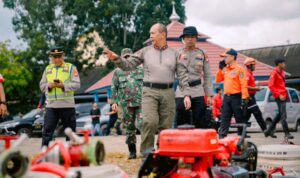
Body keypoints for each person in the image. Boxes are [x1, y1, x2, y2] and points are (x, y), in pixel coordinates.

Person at [104, 23, 191, 156]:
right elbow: (128, 65)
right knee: (149, 122)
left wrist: (186, 95)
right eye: (150, 33)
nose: (150, 36)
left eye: (153, 33)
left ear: (163, 34)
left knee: (166, 125)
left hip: (168, 92)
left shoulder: (175, 53)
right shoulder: (145, 51)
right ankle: (146, 152)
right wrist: (116, 58)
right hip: (149, 91)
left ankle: (163, 151)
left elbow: (182, 76)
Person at [40, 46, 80, 147]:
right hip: (51, 106)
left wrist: (63, 85)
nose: (57, 59)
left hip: (67, 106)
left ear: (63, 56)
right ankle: (44, 154)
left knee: (70, 133)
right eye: (54, 57)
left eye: (59, 56)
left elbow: (77, 85)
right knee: (47, 132)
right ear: (51, 57)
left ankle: (71, 155)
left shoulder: (71, 67)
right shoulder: (48, 69)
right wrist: (48, 85)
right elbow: (41, 86)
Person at [175, 26, 214, 128]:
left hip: (197, 90)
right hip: (182, 90)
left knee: (200, 120)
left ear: (197, 38)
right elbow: (176, 73)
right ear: (183, 39)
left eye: (192, 37)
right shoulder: (177, 53)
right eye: (187, 37)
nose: (190, 39)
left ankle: (199, 142)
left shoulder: (202, 53)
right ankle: (182, 142)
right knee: (181, 119)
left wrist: (209, 94)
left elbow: (208, 75)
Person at [111, 48, 143, 159]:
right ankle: (132, 152)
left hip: (141, 102)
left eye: (129, 57)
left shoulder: (140, 69)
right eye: (125, 57)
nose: (127, 58)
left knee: (144, 125)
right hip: (126, 104)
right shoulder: (117, 71)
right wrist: (114, 102)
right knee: (129, 128)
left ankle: (146, 151)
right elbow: (114, 88)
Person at [215, 48, 249, 138]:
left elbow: (243, 84)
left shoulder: (240, 69)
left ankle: (241, 139)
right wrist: (220, 69)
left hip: (236, 97)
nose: (224, 59)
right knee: (224, 118)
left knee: (239, 118)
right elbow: (218, 80)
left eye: (226, 56)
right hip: (226, 97)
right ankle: (222, 138)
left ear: (233, 57)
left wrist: (244, 98)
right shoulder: (225, 69)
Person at [265, 58, 294, 139]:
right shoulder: (274, 73)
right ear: (279, 64)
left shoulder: (283, 73)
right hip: (279, 97)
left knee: (280, 115)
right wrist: (278, 95)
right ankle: (287, 133)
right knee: (283, 116)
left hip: (284, 96)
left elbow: (281, 85)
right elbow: (271, 86)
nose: (285, 65)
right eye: (283, 63)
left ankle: (268, 130)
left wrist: (284, 95)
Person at [244, 58, 267, 136]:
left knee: (246, 115)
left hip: (250, 97)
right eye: (253, 65)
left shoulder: (250, 74)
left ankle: (241, 132)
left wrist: (256, 86)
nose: (255, 67)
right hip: (249, 97)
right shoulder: (247, 74)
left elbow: (250, 84)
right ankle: (265, 130)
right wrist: (256, 89)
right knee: (257, 113)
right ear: (249, 65)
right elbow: (245, 86)